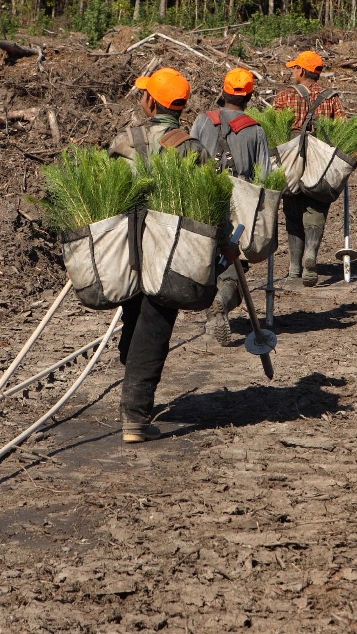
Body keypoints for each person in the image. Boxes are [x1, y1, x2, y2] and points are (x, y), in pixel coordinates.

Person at [109, 67, 231, 443]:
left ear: (150, 102)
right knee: (154, 325)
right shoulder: (190, 147)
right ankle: (134, 415)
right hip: (170, 250)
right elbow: (210, 201)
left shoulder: (124, 141)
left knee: (134, 317)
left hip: (127, 248)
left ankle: (133, 394)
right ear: (180, 106)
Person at [190, 68, 270, 346]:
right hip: (239, 207)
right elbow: (263, 179)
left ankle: (211, 303)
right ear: (249, 96)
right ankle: (222, 302)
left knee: (206, 257)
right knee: (234, 263)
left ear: (222, 92)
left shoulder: (202, 121)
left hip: (202, 200)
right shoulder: (256, 130)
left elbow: (189, 160)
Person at [272, 50, 345, 287]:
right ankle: (311, 255)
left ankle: (294, 267)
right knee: (317, 205)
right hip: (319, 161)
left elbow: (274, 130)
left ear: (301, 71)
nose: (292, 72)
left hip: (291, 159)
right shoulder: (330, 98)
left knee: (292, 208)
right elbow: (342, 129)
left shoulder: (284, 97)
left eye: (294, 68)